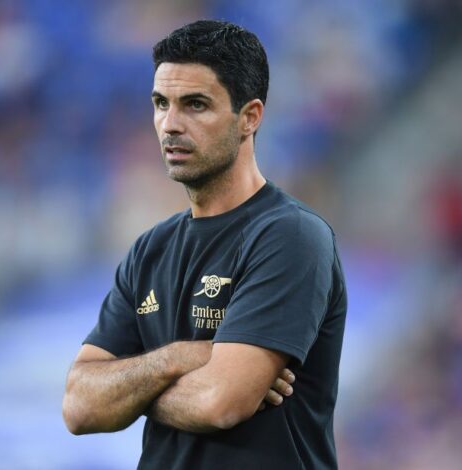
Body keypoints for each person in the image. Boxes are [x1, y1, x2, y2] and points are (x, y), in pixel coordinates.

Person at [62, 19, 347, 469]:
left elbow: (221, 402)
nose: (170, 125)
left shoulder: (289, 236)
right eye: (161, 103)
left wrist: (131, 393)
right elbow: (79, 405)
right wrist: (180, 357)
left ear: (249, 117)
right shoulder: (148, 250)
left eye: (195, 105)